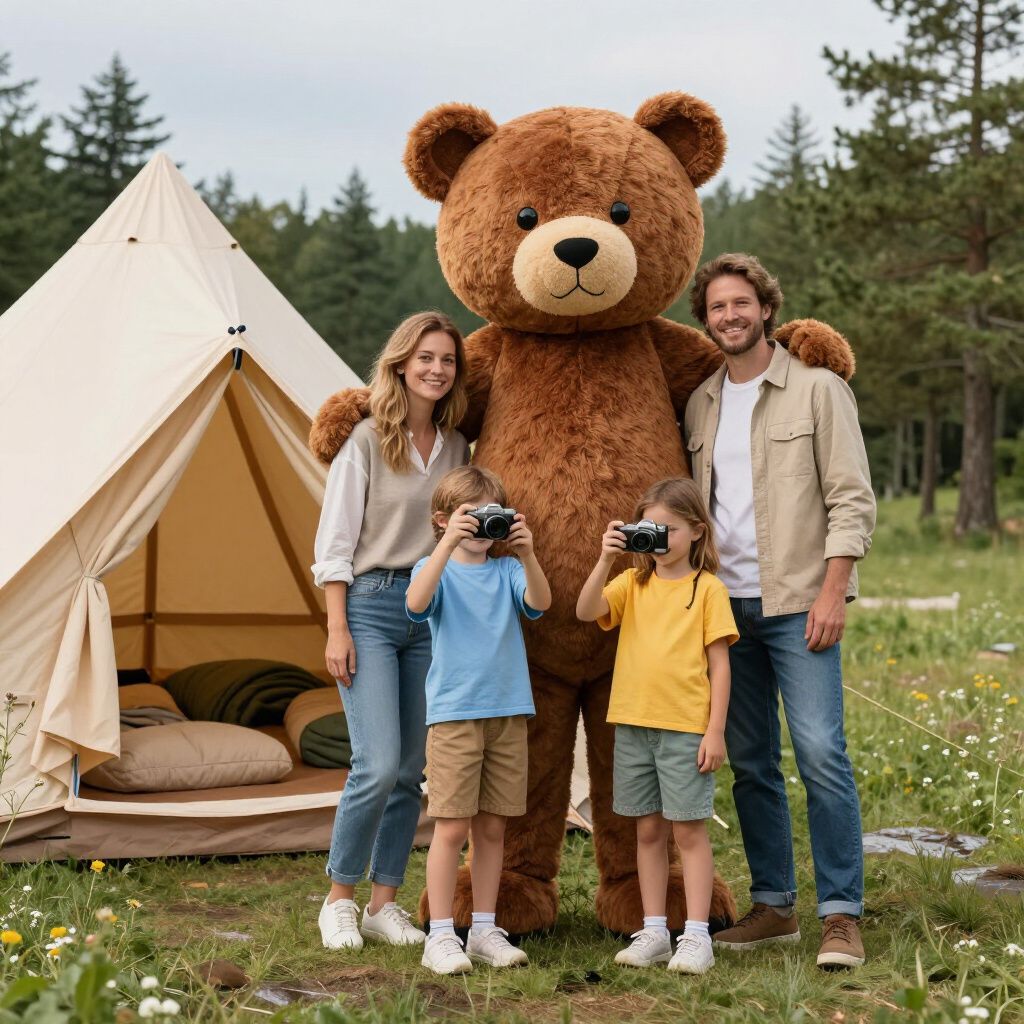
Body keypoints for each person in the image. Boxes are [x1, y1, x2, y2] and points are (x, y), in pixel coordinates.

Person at [685, 253, 876, 969]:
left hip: (800, 604)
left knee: (822, 755)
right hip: (725, 612)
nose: (729, 316)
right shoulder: (700, 402)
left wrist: (835, 590)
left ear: (765, 308)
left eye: (741, 304)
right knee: (754, 763)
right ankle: (774, 907)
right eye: (716, 308)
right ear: (705, 321)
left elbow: (852, 498)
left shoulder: (819, 391)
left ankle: (840, 916)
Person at [312, 311, 470, 951]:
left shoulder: (458, 448)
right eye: (425, 358)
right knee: (375, 764)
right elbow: (335, 543)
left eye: (448, 360)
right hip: (371, 609)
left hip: (432, 612)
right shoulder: (367, 441)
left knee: (411, 769)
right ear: (400, 364)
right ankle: (339, 899)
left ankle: (385, 904)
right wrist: (336, 628)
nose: (437, 369)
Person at [576, 477, 738, 975]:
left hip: (686, 729)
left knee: (687, 832)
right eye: (649, 528)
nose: (659, 538)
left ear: (695, 531)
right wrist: (607, 558)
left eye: (668, 528)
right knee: (646, 831)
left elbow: (720, 666)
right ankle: (653, 930)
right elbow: (585, 610)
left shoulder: (707, 589)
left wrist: (715, 731)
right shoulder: (632, 584)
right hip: (633, 726)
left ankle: (694, 935)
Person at [406, 465, 552, 975]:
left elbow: (541, 602)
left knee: (493, 829)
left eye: (493, 516)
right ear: (444, 520)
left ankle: (485, 928)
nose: (482, 529)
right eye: (472, 517)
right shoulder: (435, 567)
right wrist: (445, 547)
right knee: (451, 827)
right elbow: (415, 602)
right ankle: (441, 934)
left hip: (508, 712)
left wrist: (528, 552)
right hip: (454, 716)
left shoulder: (508, 570)